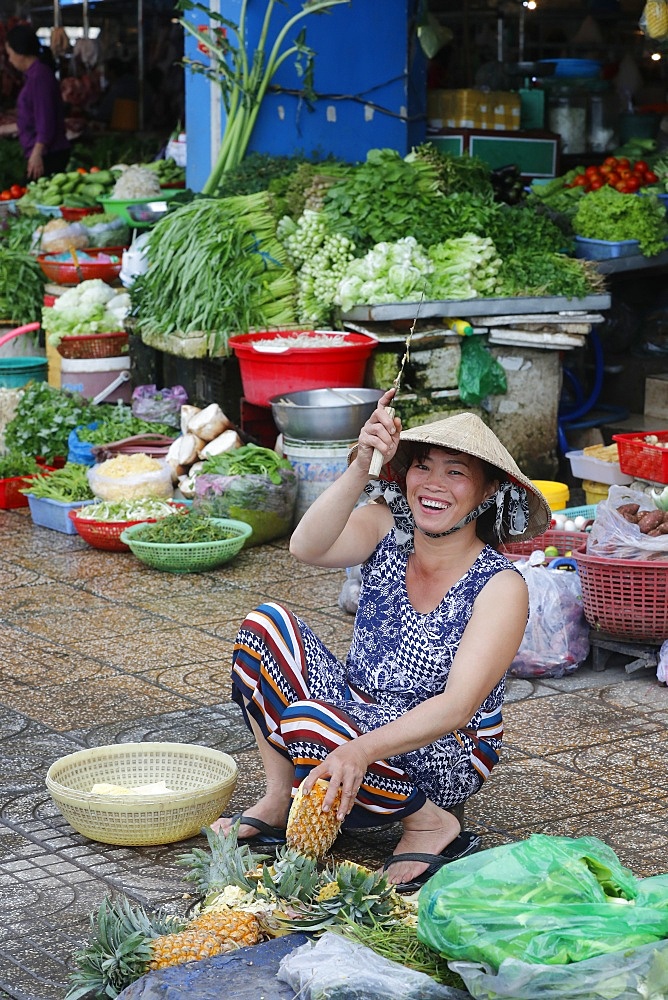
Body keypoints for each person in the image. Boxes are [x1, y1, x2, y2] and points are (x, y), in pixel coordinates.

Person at [214, 390, 551, 892]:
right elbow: (305, 546)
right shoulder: (386, 527)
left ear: (486, 494)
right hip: (353, 710)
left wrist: (359, 749)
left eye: (455, 472)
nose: (433, 485)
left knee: (311, 722)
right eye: (423, 468)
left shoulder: (501, 585)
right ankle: (279, 796)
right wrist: (360, 467)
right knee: (265, 626)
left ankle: (430, 821)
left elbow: (457, 707)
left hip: (446, 745)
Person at [5, 24, 70, 180]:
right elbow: (32, 120)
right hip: (44, 151)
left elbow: (45, 120)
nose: (10, 60)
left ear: (20, 53)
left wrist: (37, 153)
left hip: (48, 154)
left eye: (10, 54)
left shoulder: (40, 77)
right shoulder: (35, 75)